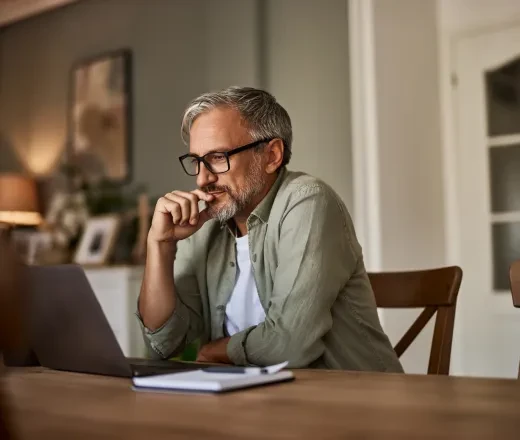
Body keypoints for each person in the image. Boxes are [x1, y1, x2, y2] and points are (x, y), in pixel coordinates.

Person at [137, 86, 403, 372]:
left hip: (353, 402)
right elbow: (163, 344)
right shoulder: (204, 223)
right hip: (252, 400)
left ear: (272, 155)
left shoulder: (307, 201)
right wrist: (160, 244)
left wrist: (218, 350)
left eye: (217, 157)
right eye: (196, 162)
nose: (202, 179)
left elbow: (290, 345)